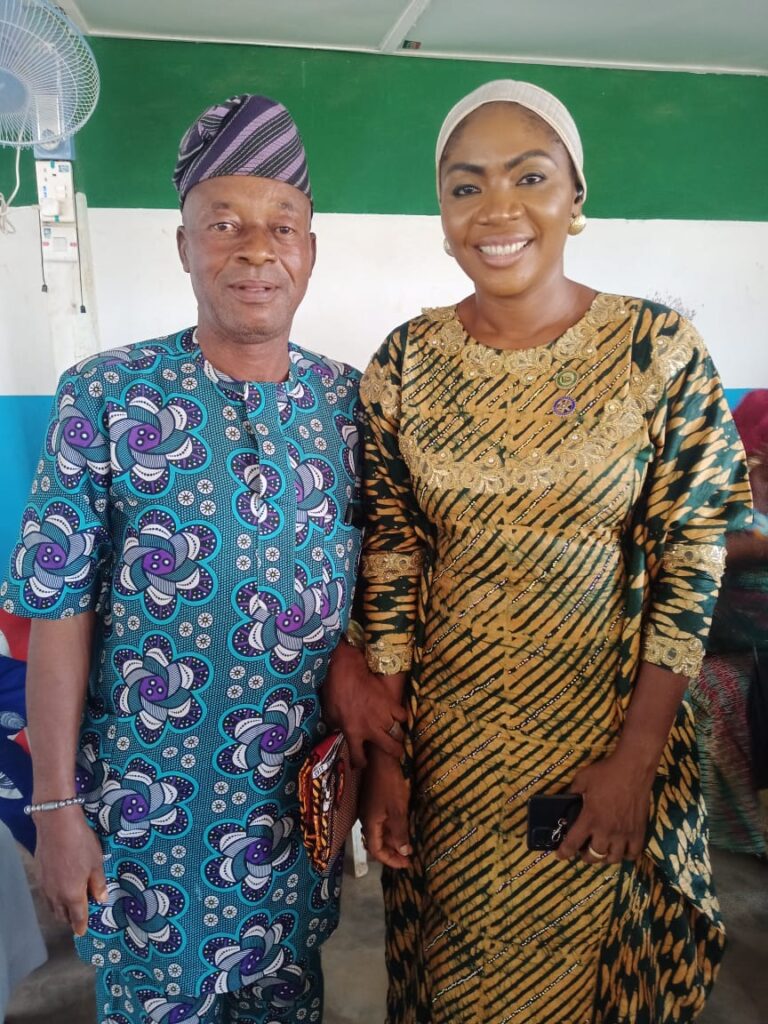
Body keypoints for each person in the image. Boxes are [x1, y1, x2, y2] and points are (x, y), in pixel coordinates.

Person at [329, 80, 752, 1023]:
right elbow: (392, 563)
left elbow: (692, 562)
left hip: (602, 740)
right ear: (443, 216)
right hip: (449, 749)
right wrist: (389, 763)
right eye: (466, 185)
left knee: (589, 981)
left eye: (530, 177)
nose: (498, 209)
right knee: (459, 979)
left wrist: (635, 762)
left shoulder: (657, 350)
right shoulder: (404, 362)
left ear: (576, 198)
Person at [1, 93, 402, 1024]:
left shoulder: (352, 407)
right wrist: (56, 811)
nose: (255, 250)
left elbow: (375, 591)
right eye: (223, 225)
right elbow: (57, 612)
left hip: (289, 824)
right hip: (144, 826)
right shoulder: (107, 395)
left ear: (310, 250)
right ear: (183, 247)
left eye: (281, 226)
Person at [692, 389, 768, 856]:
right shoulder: (720, 491)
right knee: (717, 693)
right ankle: (749, 837)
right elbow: (694, 554)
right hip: (723, 640)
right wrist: (756, 546)